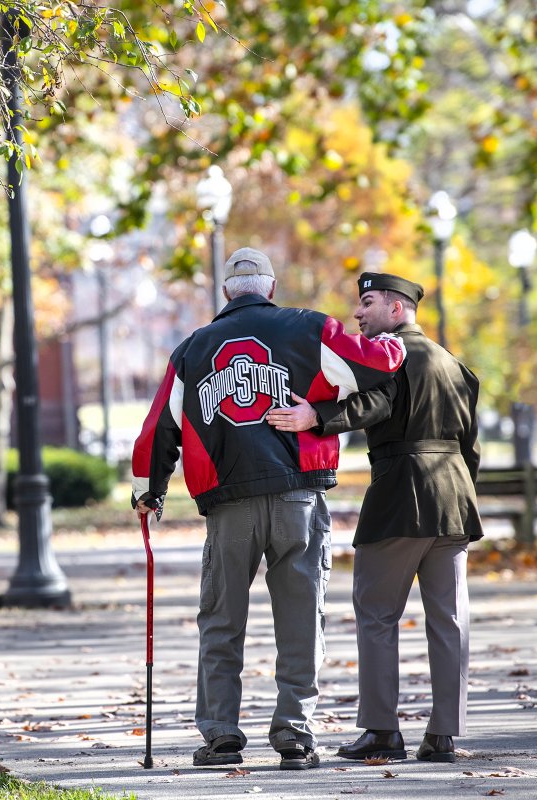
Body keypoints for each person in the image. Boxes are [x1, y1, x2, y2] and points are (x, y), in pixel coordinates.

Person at [131, 249, 406, 771]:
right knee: (302, 618)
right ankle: (296, 736)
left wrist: (150, 489)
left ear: (227, 294)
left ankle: (220, 737)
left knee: (221, 621)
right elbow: (376, 364)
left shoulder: (191, 350)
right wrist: (392, 342)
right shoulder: (311, 328)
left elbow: (158, 429)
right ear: (272, 288)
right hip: (298, 499)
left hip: (227, 502)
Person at [268, 271, 483, 764]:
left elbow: (375, 402)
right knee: (449, 621)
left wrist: (317, 417)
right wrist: (463, 495)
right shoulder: (454, 364)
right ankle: (444, 734)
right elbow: (471, 447)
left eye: (367, 303)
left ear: (396, 308)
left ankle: (384, 731)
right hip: (454, 503)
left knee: (377, 616)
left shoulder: (391, 354)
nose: (358, 314)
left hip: (400, 499)